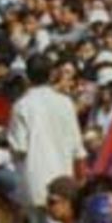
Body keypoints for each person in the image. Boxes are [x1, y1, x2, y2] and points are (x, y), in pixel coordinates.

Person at [8, 53, 86, 213]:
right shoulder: (66, 103)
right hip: (63, 182)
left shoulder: (22, 105)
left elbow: (19, 147)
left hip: (34, 182)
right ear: (52, 74)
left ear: (27, 77)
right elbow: (78, 148)